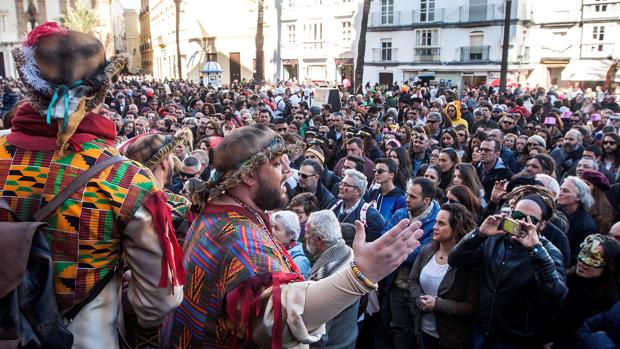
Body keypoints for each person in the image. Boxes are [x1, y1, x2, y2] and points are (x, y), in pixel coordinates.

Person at [1, 23, 184, 348]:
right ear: (100, 93)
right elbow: (160, 300)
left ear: (29, 87)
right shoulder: (127, 180)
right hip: (87, 339)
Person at [161, 125, 425, 348]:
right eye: (276, 164)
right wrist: (360, 275)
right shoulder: (242, 241)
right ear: (249, 175)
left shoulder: (214, 210)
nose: (288, 171)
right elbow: (279, 321)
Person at [449, 190, 568, 348]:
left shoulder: (549, 252)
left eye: (530, 220)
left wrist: (536, 250)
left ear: (542, 225)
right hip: (482, 330)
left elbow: (558, 295)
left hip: (515, 339)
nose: (521, 223)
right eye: (518, 216)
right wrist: (479, 234)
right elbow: (456, 260)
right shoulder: (495, 238)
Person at [408, 203, 479, 349]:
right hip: (423, 331)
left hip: (452, 338)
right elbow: (413, 280)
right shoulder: (427, 251)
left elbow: (471, 305)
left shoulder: (467, 262)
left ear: (457, 228)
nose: (435, 227)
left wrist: (437, 304)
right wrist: (419, 299)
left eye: (441, 223)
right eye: (435, 222)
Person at [383, 178, 441, 349]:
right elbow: (384, 240)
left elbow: (422, 255)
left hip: (419, 288)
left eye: (413, 197)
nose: (407, 199)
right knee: (398, 330)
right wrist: (404, 247)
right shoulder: (401, 214)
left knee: (419, 335)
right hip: (396, 284)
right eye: (407, 195)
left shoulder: (437, 221)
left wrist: (397, 247)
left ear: (427, 200)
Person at [551, 234, 620, 348]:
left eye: (593, 258)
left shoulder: (610, 302)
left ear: (609, 265)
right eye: (584, 253)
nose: (583, 261)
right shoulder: (565, 281)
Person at [305, 210, 358, 349]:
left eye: (308, 233)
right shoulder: (348, 251)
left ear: (319, 239)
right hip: (347, 339)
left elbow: (319, 333)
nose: (305, 236)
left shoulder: (325, 274)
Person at [331, 169, 385, 242]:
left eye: (346, 185)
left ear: (358, 191)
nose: (340, 187)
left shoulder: (370, 215)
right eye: (341, 183)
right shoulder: (333, 206)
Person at [557, 176, 598, 266]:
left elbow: (577, 256)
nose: (560, 193)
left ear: (578, 197)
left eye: (566, 191)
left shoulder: (586, 225)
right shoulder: (554, 213)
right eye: (560, 189)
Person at [271, 210, 311, 278]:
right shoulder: (276, 249)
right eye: (272, 227)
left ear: (291, 234)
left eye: (276, 228)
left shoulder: (299, 262)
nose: (272, 231)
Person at [365, 158, 407, 222]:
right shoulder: (373, 193)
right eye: (375, 171)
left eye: (380, 171)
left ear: (391, 175)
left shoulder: (400, 199)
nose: (376, 174)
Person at [476, 139, 514, 203]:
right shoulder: (474, 169)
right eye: (481, 149)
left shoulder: (506, 175)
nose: (482, 152)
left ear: (497, 154)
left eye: (487, 150)